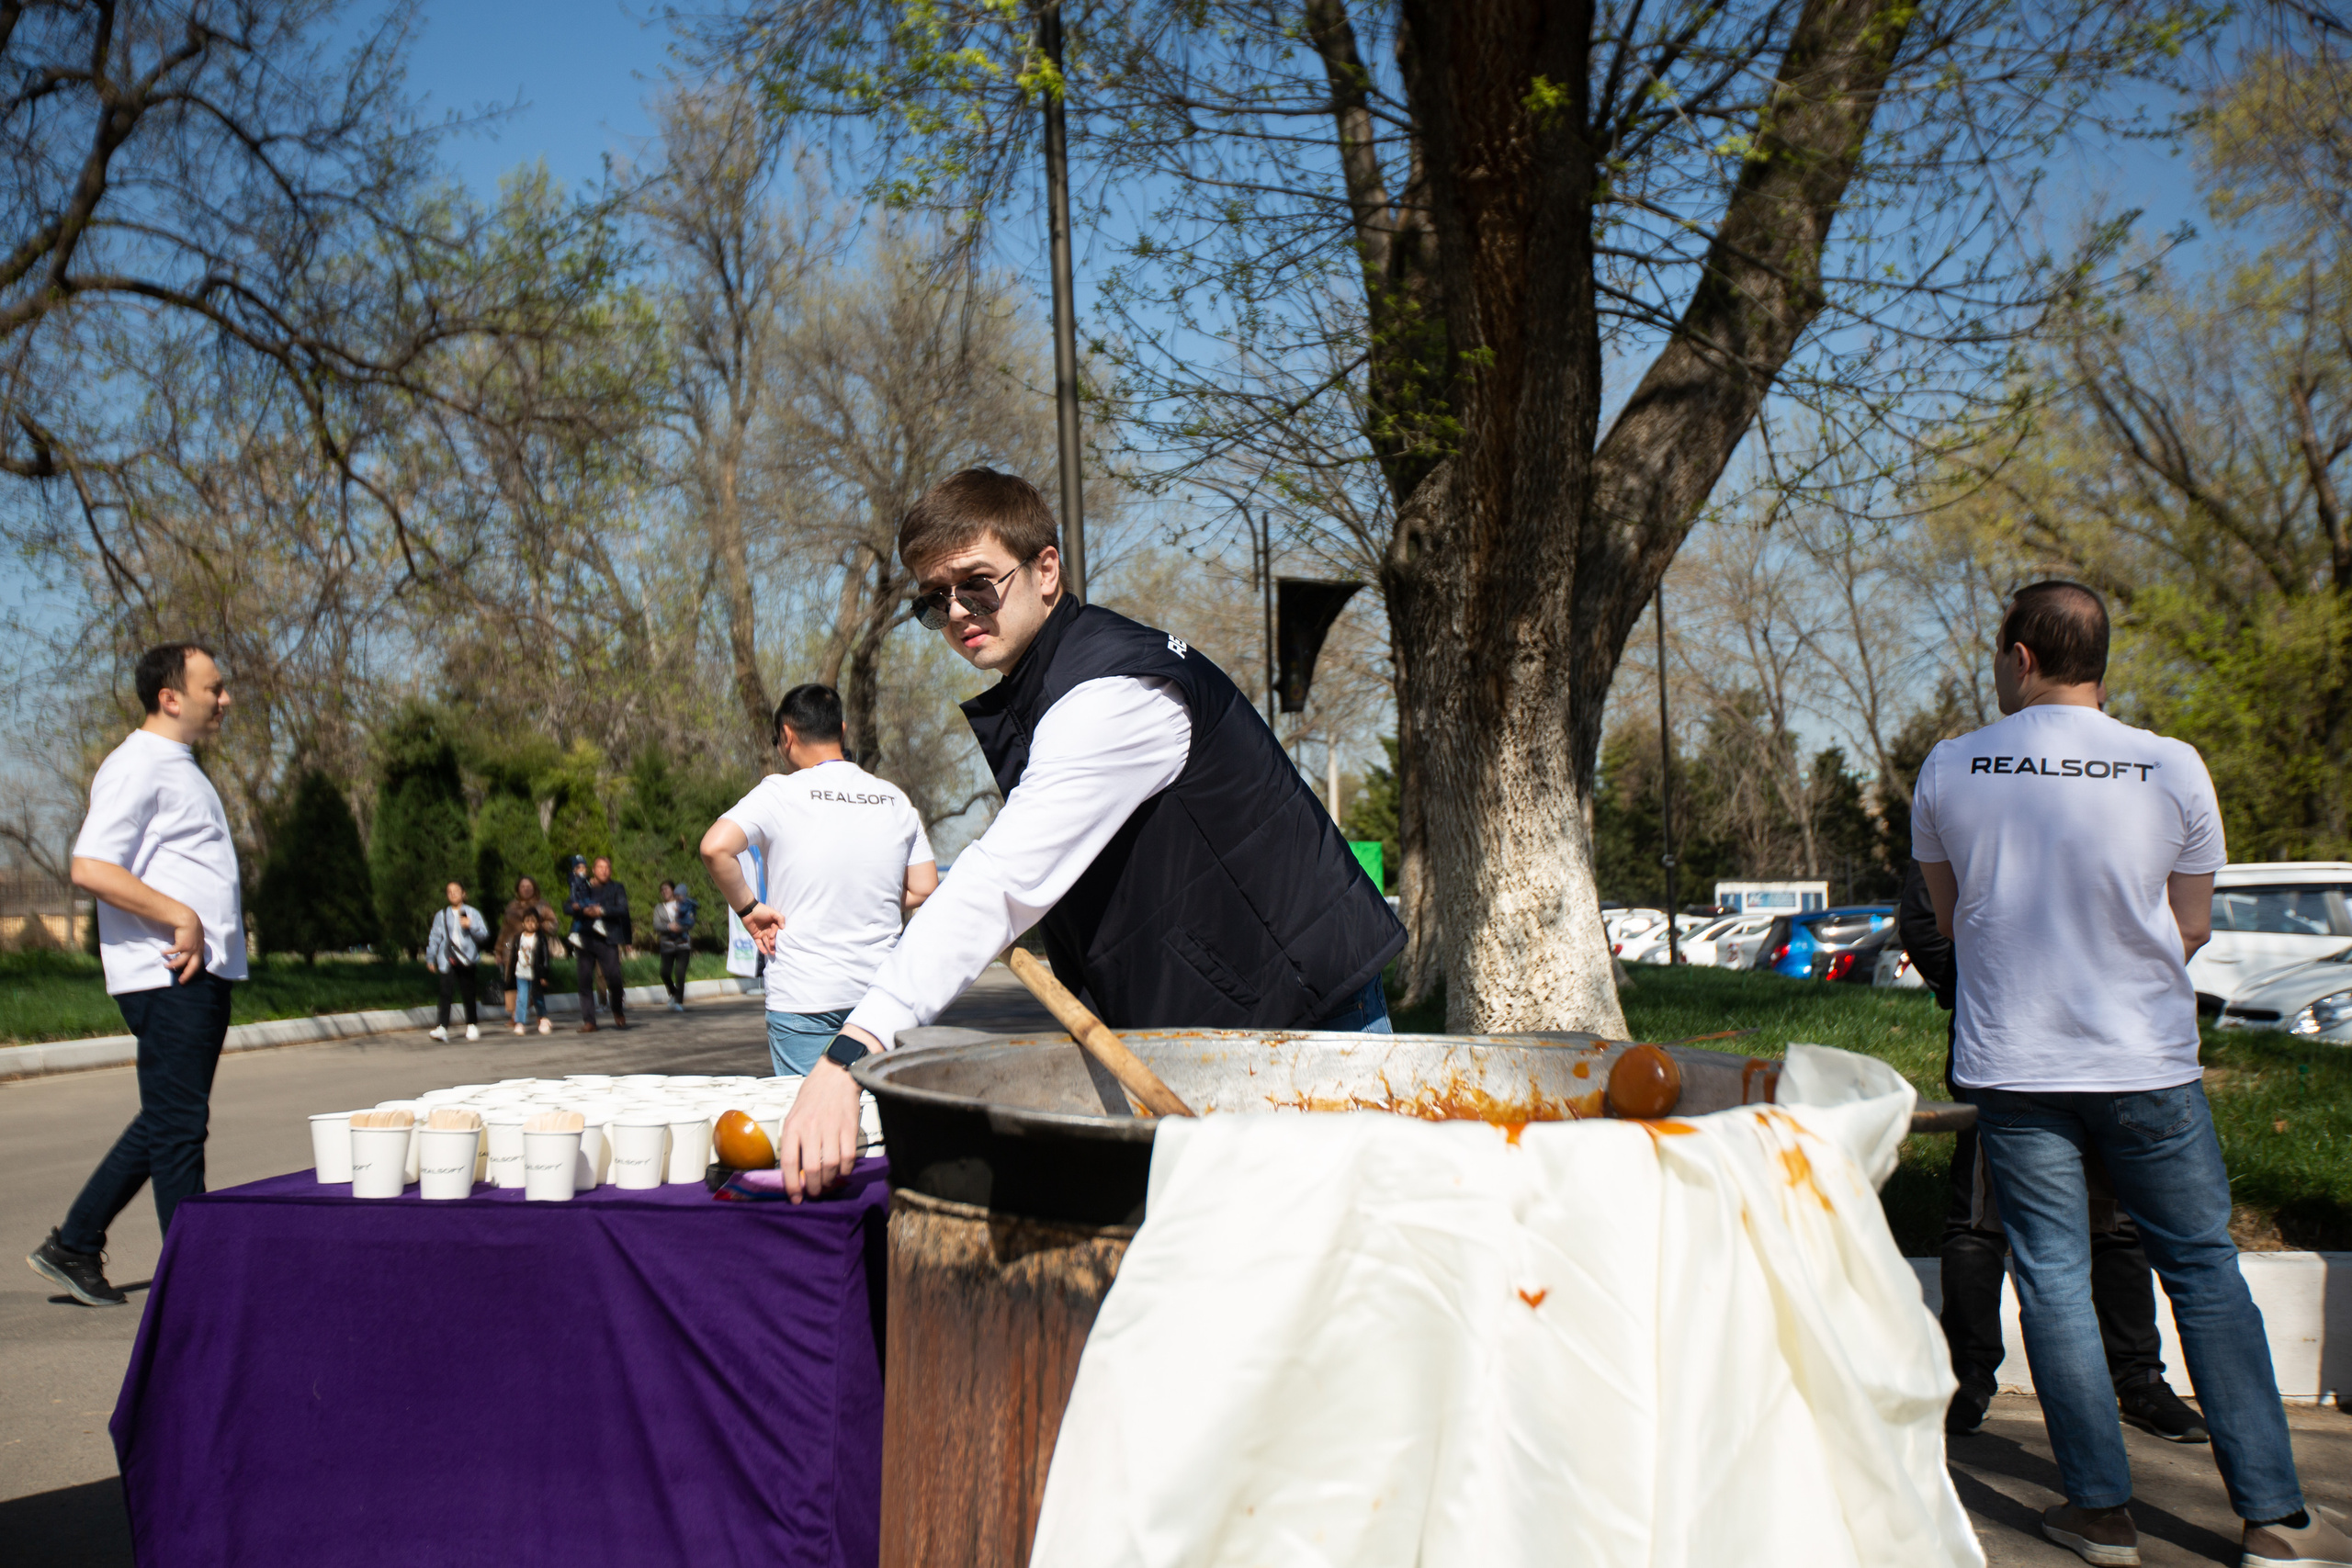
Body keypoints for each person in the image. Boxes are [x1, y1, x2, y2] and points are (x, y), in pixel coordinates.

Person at [772, 468, 1404, 1199]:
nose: (956, 611)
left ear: (1046, 569)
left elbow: (998, 882)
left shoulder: (1111, 694)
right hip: (1231, 1037)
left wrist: (852, 1050)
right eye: (933, 598)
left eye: (977, 581)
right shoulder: (1055, 684)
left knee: (1333, 1281)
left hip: (1305, 1037)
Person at [1914, 581, 2352, 1567]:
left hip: (2015, 1067)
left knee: (2055, 1282)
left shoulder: (1950, 766)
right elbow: (2190, 924)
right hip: (2148, 1063)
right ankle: (2275, 1520)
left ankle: (2101, 1515)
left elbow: (1949, 921)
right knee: (2202, 1272)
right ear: (2098, 659)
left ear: (2019, 659)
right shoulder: (2172, 765)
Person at [1896, 861, 2208, 1445]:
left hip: (2120, 1045)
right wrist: (1977, 987)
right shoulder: (1977, 776)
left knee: (2118, 1219)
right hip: (2006, 1047)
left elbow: (2181, 919)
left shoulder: (2125, 782)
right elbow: (1925, 916)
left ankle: (2138, 1378)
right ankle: (1966, 1377)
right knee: (1978, 1221)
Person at [28, 644, 243, 1309]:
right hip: (168, 973)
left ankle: (75, 1242)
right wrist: (179, 913)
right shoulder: (139, 764)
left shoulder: (175, 765)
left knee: (166, 1118)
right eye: (214, 687)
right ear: (171, 696)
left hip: (191, 974)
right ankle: (196, 1283)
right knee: (179, 1128)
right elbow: (90, 864)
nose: (225, 698)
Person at [700, 683, 938, 1077]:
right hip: (882, 996)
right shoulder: (892, 798)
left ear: (787, 736)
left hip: (802, 999)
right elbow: (925, 885)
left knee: (811, 1126)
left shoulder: (778, 793)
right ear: (841, 731)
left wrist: (749, 908)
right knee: (882, 1122)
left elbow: (715, 848)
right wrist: (864, 898)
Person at [566, 854, 630, 1032]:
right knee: (584, 981)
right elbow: (567, 905)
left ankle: (617, 1009)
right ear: (593, 870)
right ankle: (589, 1021)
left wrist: (600, 911)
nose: (604, 870)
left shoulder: (616, 887)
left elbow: (622, 909)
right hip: (585, 939)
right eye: (600, 867)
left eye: (607, 867)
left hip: (607, 939)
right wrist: (576, 908)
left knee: (615, 978)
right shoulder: (582, 885)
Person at [424, 881, 489, 1042]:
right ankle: (442, 1027)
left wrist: (471, 925)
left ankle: (472, 1024)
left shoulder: (472, 913)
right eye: (449, 891)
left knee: (468, 992)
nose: (453, 894)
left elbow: (483, 935)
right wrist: (430, 957)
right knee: (445, 992)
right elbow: (434, 937)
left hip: (467, 959)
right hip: (447, 958)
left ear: (464, 894)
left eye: (456, 890)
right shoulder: (441, 915)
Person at [497, 874, 560, 1034]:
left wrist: (538, 925)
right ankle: (516, 1017)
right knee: (513, 983)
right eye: (523, 886)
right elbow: (504, 930)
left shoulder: (542, 905)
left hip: (534, 949)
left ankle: (541, 1016)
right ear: (518, 889)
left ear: (534, 888)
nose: (526, 889)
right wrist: (498, 949)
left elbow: (554, 924)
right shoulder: (511, 906)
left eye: (529, 886)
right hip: (511, 947)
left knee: (536, 989)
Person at [502, 908, 552, 1036]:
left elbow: (545, 958)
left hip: (536, 974)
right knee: (521, 998)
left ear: (538, 924)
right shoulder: (519, 937)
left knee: (538, 997)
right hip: (521, 973)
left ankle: (543, 1018)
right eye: (527, 921)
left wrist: (544, 975)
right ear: (523, 923)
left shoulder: (540, 938)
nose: (530, 924)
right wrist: (511, 973)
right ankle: (520, 1022)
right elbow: (514, 955)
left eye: (533, 921)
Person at [651, 879, 698, 1012]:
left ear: (673, 890)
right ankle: (673, 992)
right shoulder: (659, 908)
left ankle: (679, 1001)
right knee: (664, 972)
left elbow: (691, 920)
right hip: (667, 945)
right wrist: (668, 927)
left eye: (667, 888)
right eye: (662, 890)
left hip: (683, 944)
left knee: (680, 972)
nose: (664, 891)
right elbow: (656, 925)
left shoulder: (684, 903)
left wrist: (681, 927)